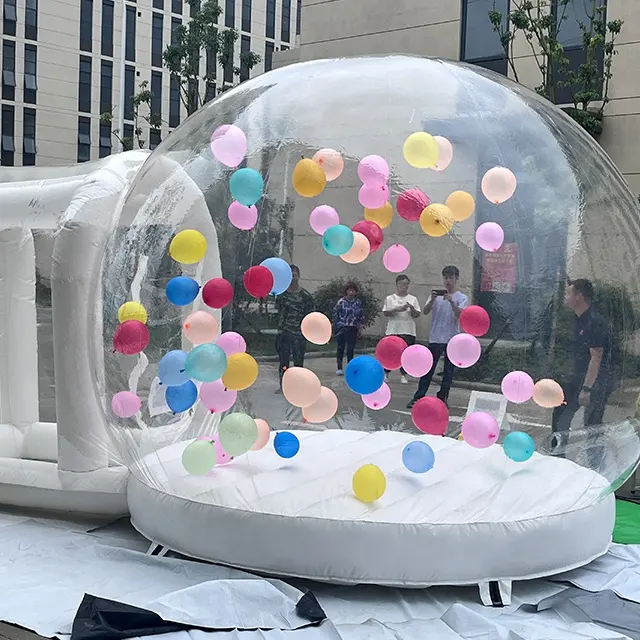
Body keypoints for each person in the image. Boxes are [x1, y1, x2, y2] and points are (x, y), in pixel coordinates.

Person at [551, 279, 616, 456]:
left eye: (568, 293)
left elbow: (596, 358)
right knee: (560, 416)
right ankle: (557, 456)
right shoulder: (576, 319)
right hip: (576, 378)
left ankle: (595, 466)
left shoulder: (594, 322)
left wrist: (587, 389)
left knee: (592, 425)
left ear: (579, 296)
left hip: (595, 382)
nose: (566, 297)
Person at [407, 265, 468, 408]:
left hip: (452, 339)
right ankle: (418, 396)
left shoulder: (461, 297)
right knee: (428, 369)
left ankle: (443, 397)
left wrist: (452, 302)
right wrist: (433, 300)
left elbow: (461, 315)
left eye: (451, 278)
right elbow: (426, 311)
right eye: (445, 278)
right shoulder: (435, 295)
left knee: (448, 372)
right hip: (435, 337)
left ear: (456, 279)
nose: (448, 281)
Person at [275, 265, 314, 391]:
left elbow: (310, 316)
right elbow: (279, 311)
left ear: (299, 276)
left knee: (298, 363)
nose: (293, 277)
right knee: (283, 363)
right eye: (290, 275)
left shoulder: (306, 296)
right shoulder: (282, 295)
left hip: (299, 335)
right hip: (284, 333)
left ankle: (298, 387)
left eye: (295, 275)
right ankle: (284, 386)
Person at [382, 274, 421, 384]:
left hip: (408, 330)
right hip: (393, 329)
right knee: (390, 352)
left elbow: (417, 314)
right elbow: (386, 312)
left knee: (406, 353)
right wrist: (397, 309)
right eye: (402, 284)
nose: (404, 286)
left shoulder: (413, 299)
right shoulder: (390, 298)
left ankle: (404, 374)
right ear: (397, 284)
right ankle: (386, 372)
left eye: (406, 284)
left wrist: (411, 308)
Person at [333, 282, 365, 375]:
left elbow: (360, 315)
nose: (351, 292)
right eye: (349, 290)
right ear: (346, 291)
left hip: (353, 328)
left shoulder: (357, 302)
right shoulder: (341, 302)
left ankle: (350, 367)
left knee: (350, 349)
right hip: (342, 327)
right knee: (340, 348)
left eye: (353, 290)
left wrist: (360, 327)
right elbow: (336, 314)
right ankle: (339, 368)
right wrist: (336, 326)